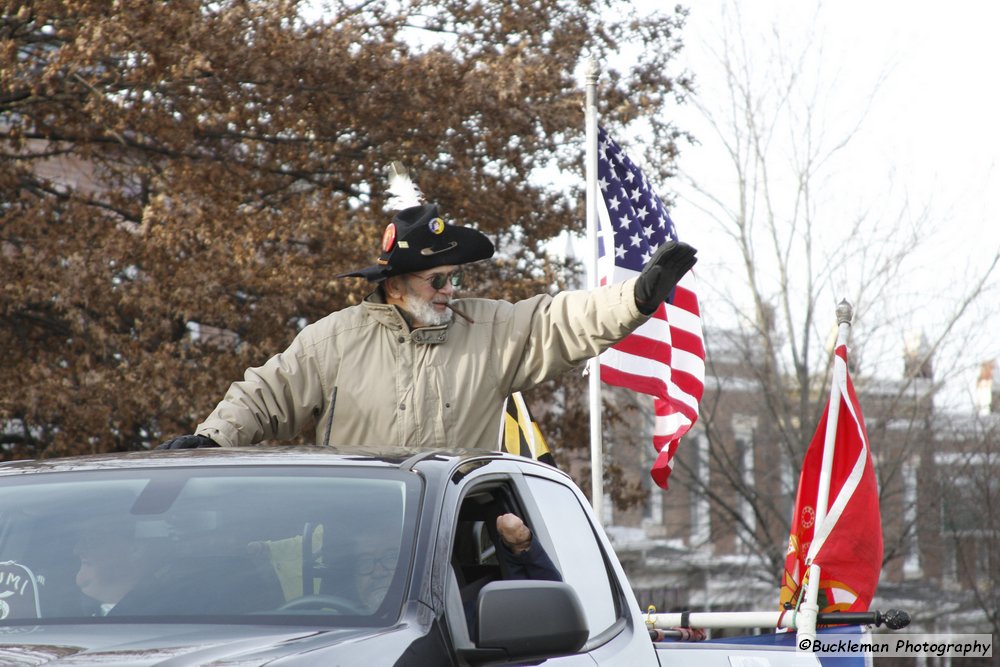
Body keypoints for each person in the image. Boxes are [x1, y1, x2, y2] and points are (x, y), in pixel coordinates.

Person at [158, 201, 697, 451]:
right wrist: (209, 442)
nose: (450, 290)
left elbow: (560, 322)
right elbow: (263, 396)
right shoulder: (335, 340)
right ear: (394, 285)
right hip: (356, 552)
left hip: (458, 548)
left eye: (454, 277)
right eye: (437, 280)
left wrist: (635, 298)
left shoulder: (490, 330)